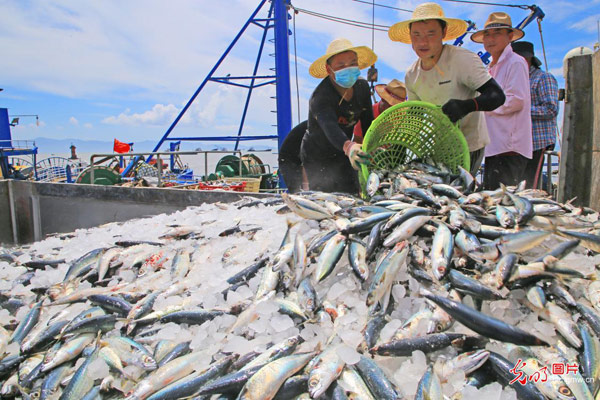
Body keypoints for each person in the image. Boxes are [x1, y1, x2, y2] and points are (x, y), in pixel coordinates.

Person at [389, 2, 505, 176]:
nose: (423, 41)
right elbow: (415, 116)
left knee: (459, 198)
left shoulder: (462, 59)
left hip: (469, 146)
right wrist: (398, 147)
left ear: (443, 33)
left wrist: (466, 106)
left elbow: (496, 96)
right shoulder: (411, 74)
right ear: (410, 37)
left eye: (431, 33)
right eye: (417, 34)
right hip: (438, 150)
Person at [301, 38, 377, 193]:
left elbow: (368, 122)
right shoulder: (320, 97)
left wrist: (374, 145)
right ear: (329, 70)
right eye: (341, 65)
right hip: (318, 154)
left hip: (346, 153)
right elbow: (330, 127)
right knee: (325, 198)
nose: (348, 68)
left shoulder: (362, 88)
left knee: (352, 194)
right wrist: (349, 147)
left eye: (352, 63)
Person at [471, 12, 532, 190]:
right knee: (492, 200)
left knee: (504, 202)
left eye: (497, 33)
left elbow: (516, 100)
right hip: (493, 147)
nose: (491, 38)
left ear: (510, 36)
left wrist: (482, 106)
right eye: (487, 34)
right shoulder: (490, 68)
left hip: (509, 148)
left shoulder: (516, 62)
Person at [511, 41, 559, 189]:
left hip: (537, 142)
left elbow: (551, 109)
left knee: (531, 185)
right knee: (517, 185)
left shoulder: (543, 78)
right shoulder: (515, 80)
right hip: (518, 143)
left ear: (527, 59)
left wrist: (520, 110)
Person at [278, 120, 308, 193]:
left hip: (302, 158)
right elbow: (308, 161)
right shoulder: (313, 129)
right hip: (289, 160)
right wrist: (306, 186)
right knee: (297, 192)